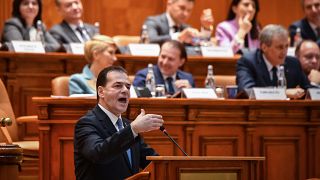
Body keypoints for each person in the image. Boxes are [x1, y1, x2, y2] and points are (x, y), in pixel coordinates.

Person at [74, 66, 164, 180]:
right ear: (101, 92)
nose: (125, 90)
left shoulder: (127, 125)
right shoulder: (86, 124)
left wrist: (174, 167)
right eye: (118, 86)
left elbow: (152, 161)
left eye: (128, 86)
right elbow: (99, 153)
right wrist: (133, 129)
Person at [236, 24, 312, 99]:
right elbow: (246, 92)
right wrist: (283, 93)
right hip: (259, 110)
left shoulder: (293, 63)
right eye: (280, 47)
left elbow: (309, 91)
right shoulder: (248, 62)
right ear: (264, 47)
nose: (284, 52)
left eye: (286, 46)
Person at [143, 0, 214, 45]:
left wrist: (206, 28)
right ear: (169, 3)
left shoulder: (187, 28)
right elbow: (149, 41)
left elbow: (203, 43)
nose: (185, 13)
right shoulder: (153, 22)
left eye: (189, 10)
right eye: (182, 8)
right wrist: (179, 37)